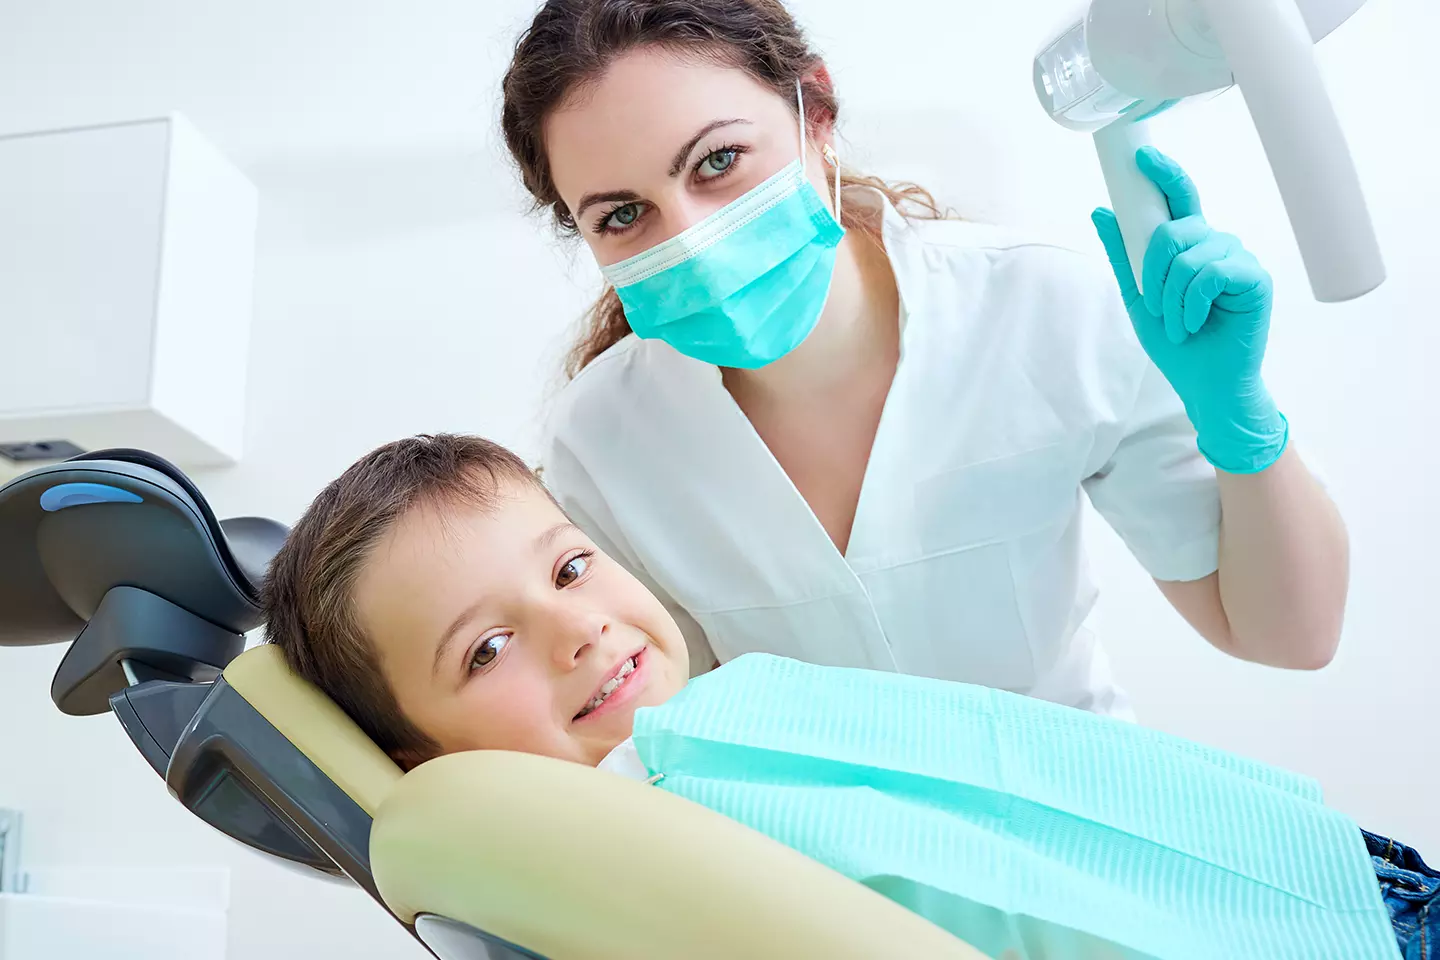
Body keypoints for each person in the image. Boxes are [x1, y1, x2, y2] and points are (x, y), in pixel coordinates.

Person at [262, 433, 1432, 959]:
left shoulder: (720, 707)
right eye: (485, 650)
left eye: (570, 566)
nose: (579, 628)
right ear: (429, 761)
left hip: (1326, 874)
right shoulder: (627, 821)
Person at [499, 0, 1350, 717]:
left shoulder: (1036, 306)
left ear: (815, 114)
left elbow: (1289, 635)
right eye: (621, 217)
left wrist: (1241, 421)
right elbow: (670, 741)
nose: (694, 242)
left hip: (1093, 846)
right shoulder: (604, 443)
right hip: (830, 898)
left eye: (719, 161)